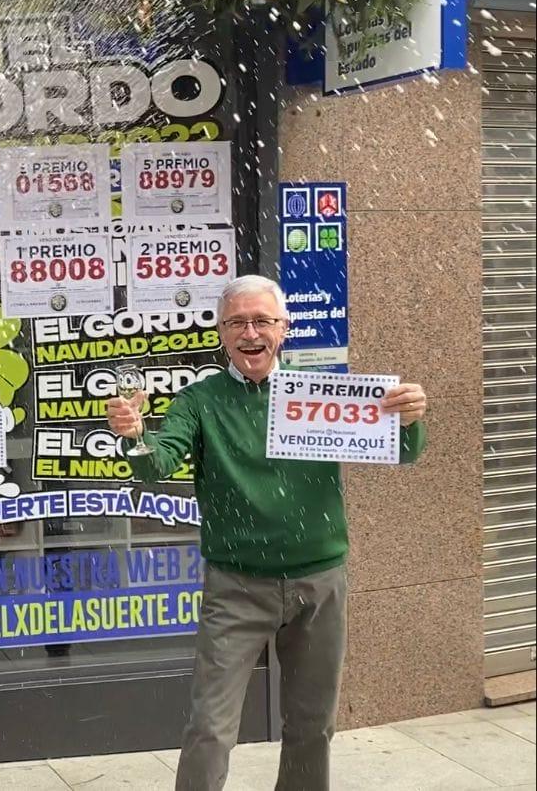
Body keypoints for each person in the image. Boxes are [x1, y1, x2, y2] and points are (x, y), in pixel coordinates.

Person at [106, 275, 427, 791]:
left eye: (262, 321)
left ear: (285, 328)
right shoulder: (200, 400)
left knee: (312, 726)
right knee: (210, 727)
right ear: (221, 333)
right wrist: (136, 436)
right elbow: (156, 465)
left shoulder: (320, 392)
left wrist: (408, 418)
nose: (250, 332)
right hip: (235, 587)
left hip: (319, 581)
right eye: (237, 322)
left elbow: (404, 451)